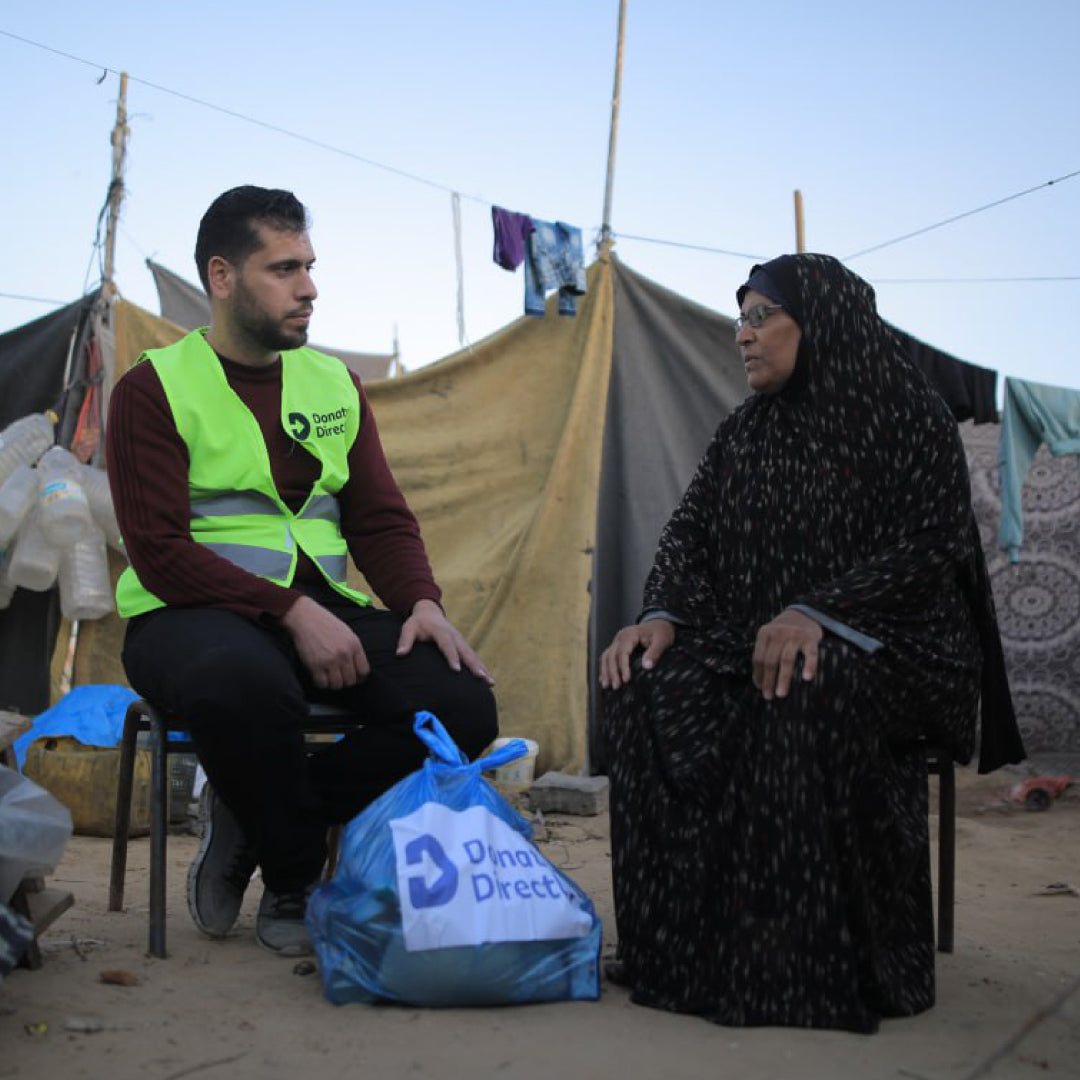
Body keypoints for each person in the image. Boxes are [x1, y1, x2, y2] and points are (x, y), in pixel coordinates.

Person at [598, 253, 1024, 1033]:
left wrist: (819, 611)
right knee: (646, 682)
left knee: (802, 681)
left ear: (819, 322)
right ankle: (681, 952)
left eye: (762, 316)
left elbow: (932, 545)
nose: (744, 335)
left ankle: (801, 968)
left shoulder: (907, 415)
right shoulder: (746, 431)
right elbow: (689, 534)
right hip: (762, 637)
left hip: (899, 646)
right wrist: (660, 614)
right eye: (741, 317)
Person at [106, 186, 498, 957]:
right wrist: (288, 610)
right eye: (284, 268)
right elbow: (157, 549)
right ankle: (294, 877)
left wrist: (422, 602)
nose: (309, 287)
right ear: (222, 278)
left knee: (461, 705)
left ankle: (260, 814)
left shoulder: (334, 384)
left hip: (318, 606)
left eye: (309, 266)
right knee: (247, 686)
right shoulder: (151, 389)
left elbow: (379, 517)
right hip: (183, 613)